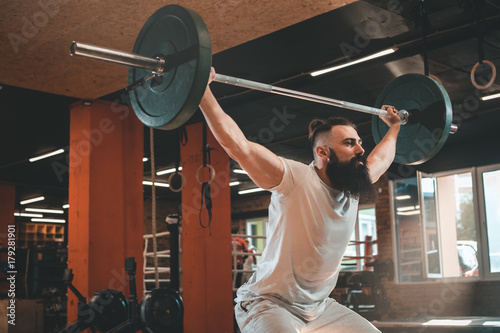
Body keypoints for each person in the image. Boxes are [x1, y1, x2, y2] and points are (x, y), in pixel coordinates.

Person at [199, 67, 401, 332]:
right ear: (323, 151)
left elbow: (381, 159)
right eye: (350, 143)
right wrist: (202, 91)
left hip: (319, 309)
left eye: (360, 142)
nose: (361, 149)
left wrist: (395, 127)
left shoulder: (353, 183)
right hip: (268, 303)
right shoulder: (295, 178)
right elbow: (239, 146)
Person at [231, 224, 247, 288]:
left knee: (229, 280)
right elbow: (246, 252)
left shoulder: (226, 239)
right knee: (238, 281)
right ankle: (237, 295)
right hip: (239, 262)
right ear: (237, 231)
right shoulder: (241, 241)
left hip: (229, 263)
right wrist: (243, 259)